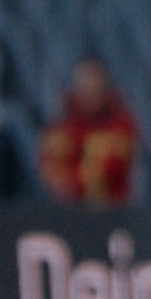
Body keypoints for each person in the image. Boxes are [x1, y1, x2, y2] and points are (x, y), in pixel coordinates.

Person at [39, 57, 138, 205]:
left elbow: (112, 166)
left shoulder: (119, 123)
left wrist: (73, 182)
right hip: (66, 208)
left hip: (110, 208)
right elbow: (48, 162)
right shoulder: (62, 124)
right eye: (83, 81)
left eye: (92, 80)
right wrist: (61, 183)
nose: (88, 87)